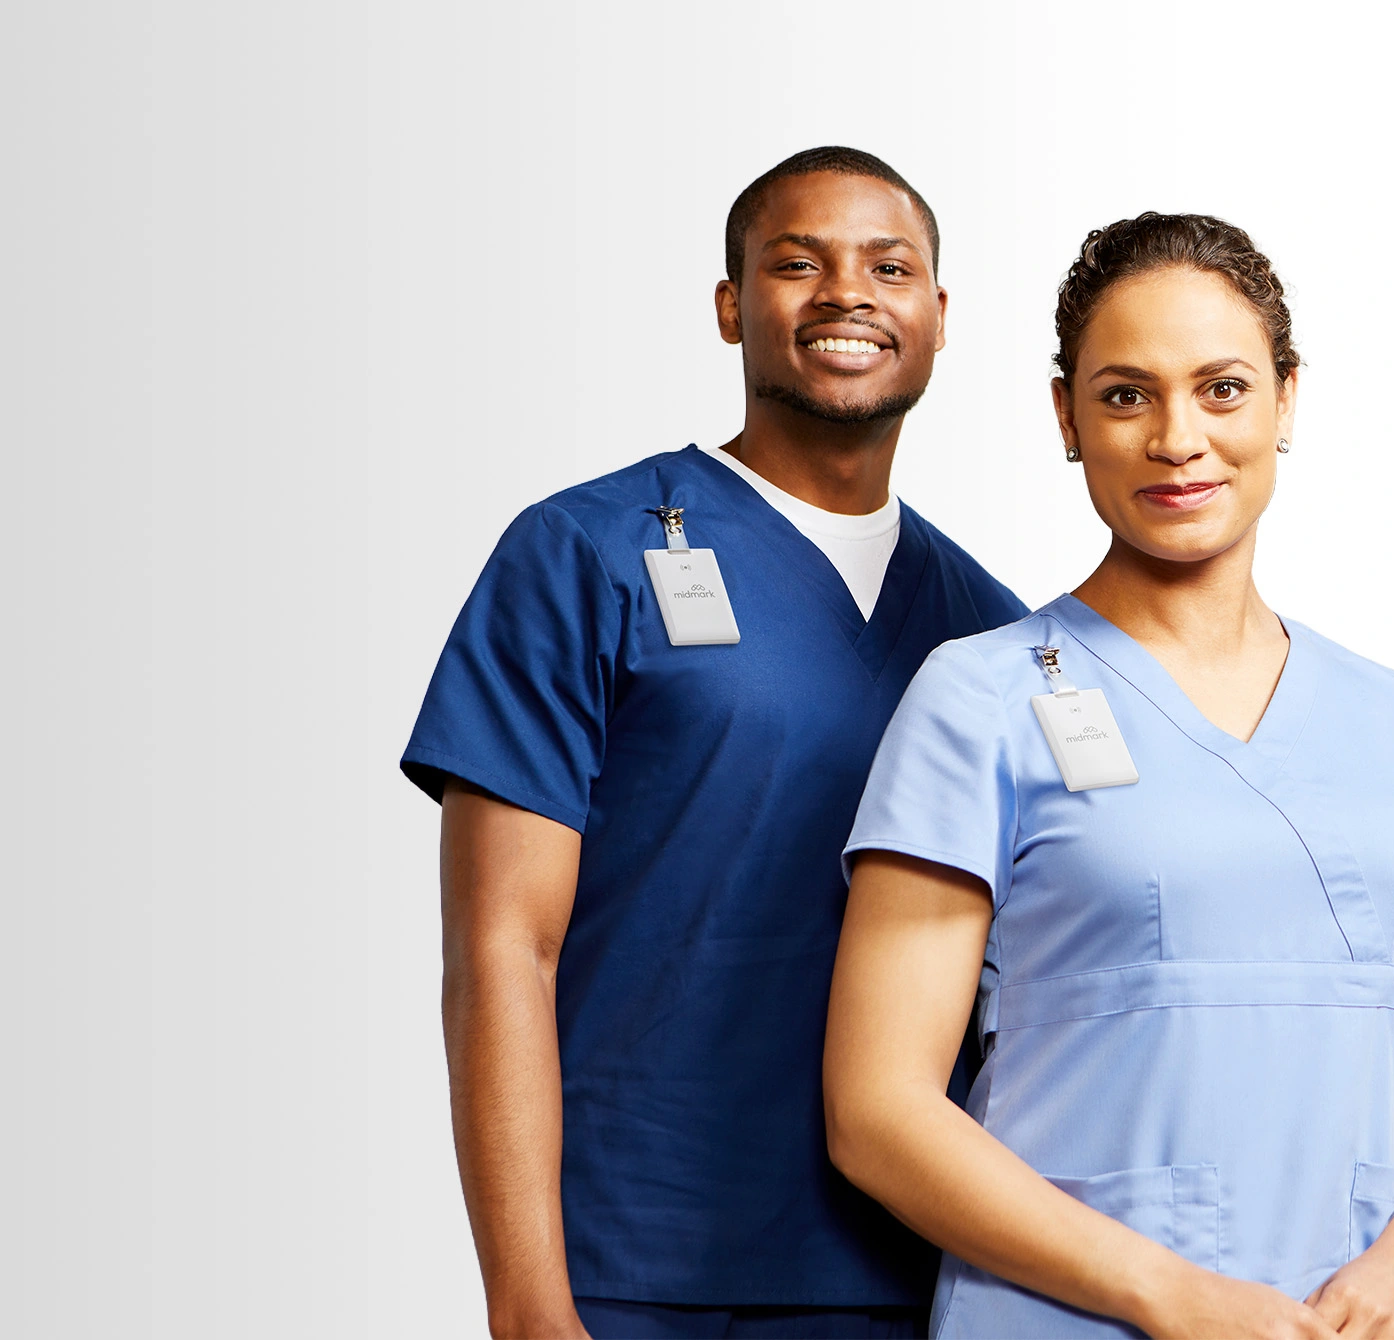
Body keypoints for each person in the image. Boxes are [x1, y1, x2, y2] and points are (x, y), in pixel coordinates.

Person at [823, 213, 1394, 1340]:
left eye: (1223, 389)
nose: (1178, 439)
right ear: (1067, 417)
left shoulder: (1387, 714)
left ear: (1288, 400)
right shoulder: (980, 697)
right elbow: (878, 1109)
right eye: (1126, 396)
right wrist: (1173, 1295)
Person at [401, 147, 1028, 1339]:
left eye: (889, 268)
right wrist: (529, 1302)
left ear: (940, 318)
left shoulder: (993, 630)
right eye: (798, 263)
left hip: (918, 1272)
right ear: (732, 304)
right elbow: (502, 944)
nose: (847, 293)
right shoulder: (584, 554)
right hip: (637, 1264)